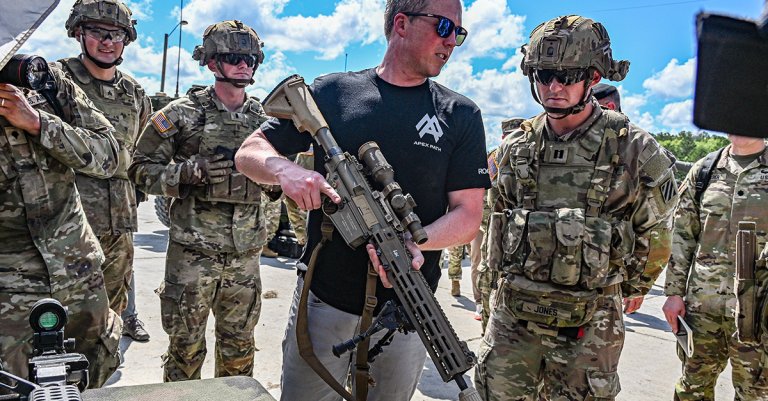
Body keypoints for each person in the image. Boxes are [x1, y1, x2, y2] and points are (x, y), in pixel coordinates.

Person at [235, 0, 488, 399]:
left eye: (458, 32)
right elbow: (249, 151)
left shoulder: (461, 114)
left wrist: (416, 242)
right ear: (401, 24)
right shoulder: (332, 92)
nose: (451, 41)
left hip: (409, 311)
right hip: (325, 301)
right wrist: (287, 171)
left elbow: (469, 215)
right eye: (443, 27)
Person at [475, 15, 678, 400]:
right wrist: (489, 303)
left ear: (594, 77)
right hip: (513, 319)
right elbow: (494, 227)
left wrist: (629, 287)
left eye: (567, 77)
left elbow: (657, 234)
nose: (553, 87)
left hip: (590, 323)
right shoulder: (515, 147)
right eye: (543, 74)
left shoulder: (633, 149)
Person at [128, 20, 269, 382]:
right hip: (192, 256)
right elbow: (139, 169)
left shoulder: (266, 123)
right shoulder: (181, 114)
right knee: (185, 352)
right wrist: (187, 173)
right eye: (234, 57)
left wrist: (273, 182)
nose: (244, 65)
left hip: (244, 258)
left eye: (251, 59)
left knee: (239, 353)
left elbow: (283, 183)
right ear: (210, 63)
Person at [0, 56, 122, 388]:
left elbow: (110, 154)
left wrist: (39, 123)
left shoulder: (46, 80)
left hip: (79, 272)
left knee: (91, 375)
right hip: (10, 291)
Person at [60, 0, 152, 342]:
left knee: (108, 324)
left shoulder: (134, 93)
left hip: (120, 226)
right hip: (66, 227)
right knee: (62, 323)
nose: (108, 41)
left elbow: (140, 150)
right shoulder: (56, 81)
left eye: (116, 34)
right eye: (97, 32)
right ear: (79, 33)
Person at [663, 134, 768, 400]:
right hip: (702, 308)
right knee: (691, 388)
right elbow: (682, 235)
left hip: (758, 314)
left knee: (755, 394)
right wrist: (673, 293)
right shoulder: (705, 170)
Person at [475, 117, 524, 329]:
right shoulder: (497, 157)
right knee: (488, 279)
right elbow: (490, 193)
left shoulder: (497, 156)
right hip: (498, 233)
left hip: (495, 232)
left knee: (488, 278)